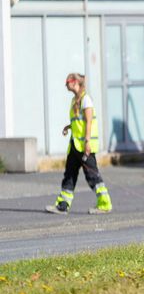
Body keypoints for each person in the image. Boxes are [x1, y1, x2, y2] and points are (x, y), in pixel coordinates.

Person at [46, 73, 113, 215]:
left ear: (75, 82)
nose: (66, 85)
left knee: (92, 175)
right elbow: (79, 122)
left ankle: (104, 203)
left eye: (68, 82)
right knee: (69, 174)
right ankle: (63, 205)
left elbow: (89, 121)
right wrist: (68, 127)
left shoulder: (86, 99)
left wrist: (87, 142)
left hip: (84, 146)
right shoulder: (74, 100)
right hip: (74, 145)